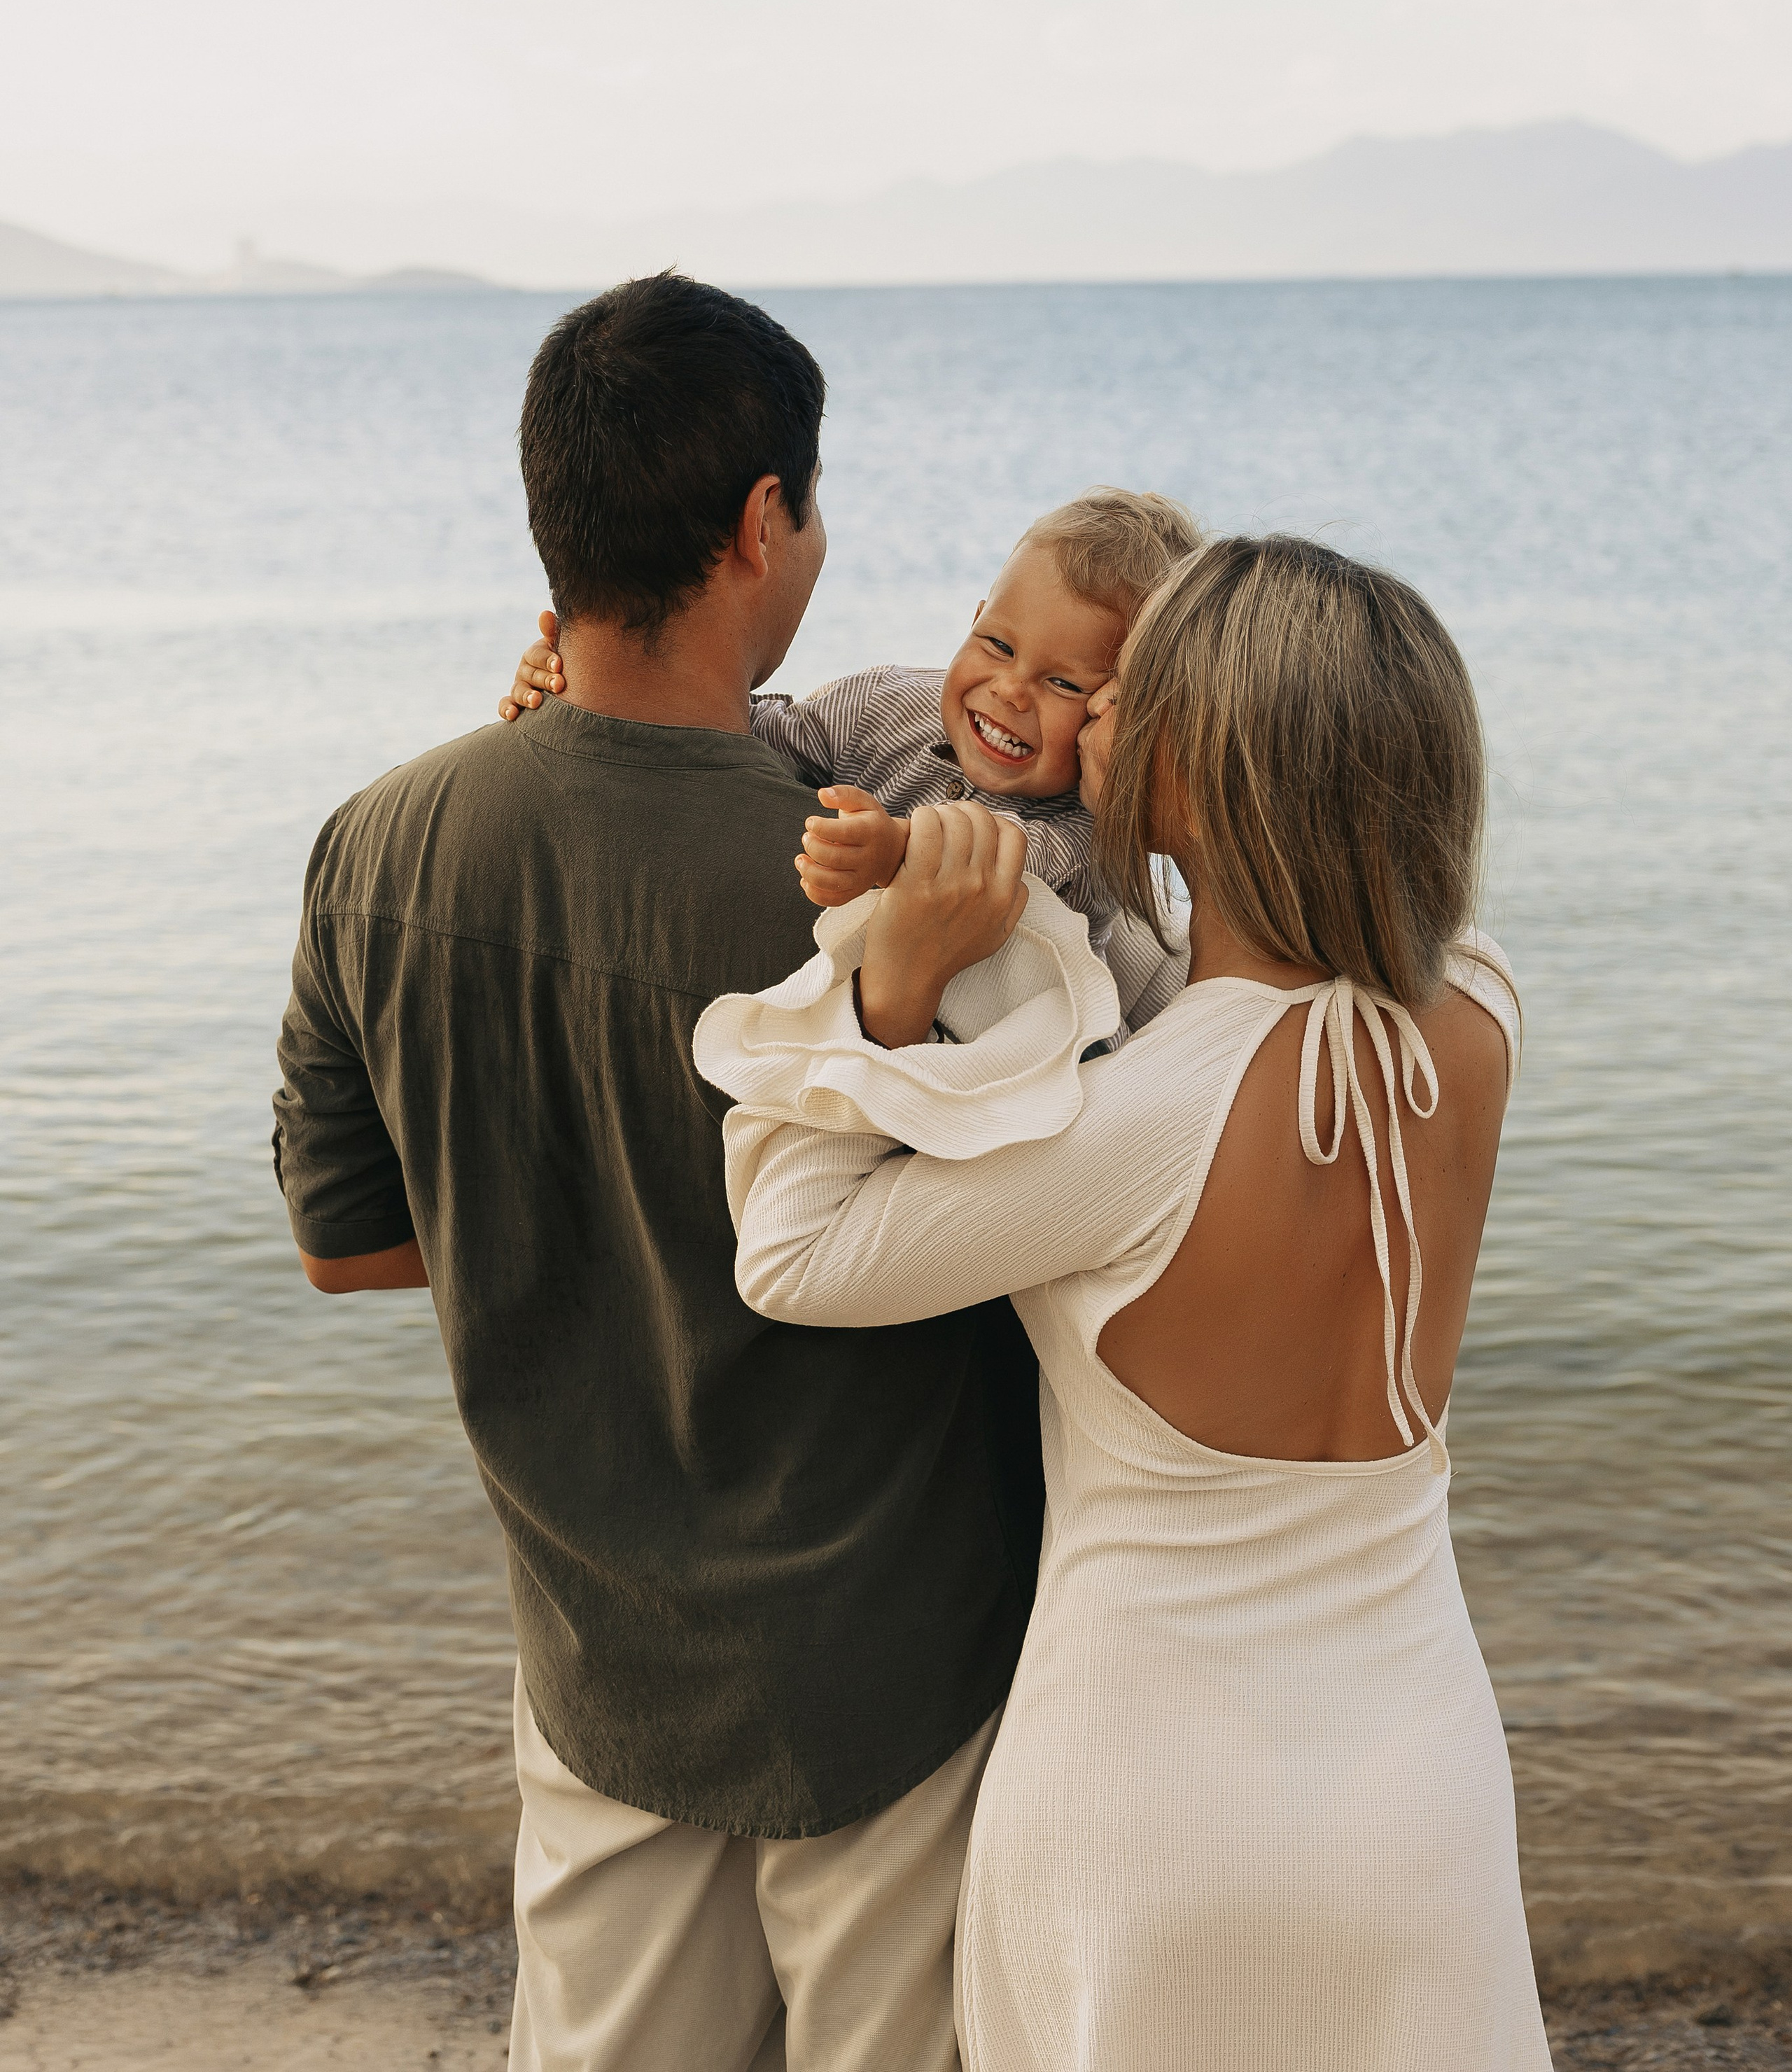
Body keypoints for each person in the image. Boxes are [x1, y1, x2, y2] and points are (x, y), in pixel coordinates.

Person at [271, 272, 1051, 2072]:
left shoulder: (377, 840)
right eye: (815, 503)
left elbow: (351, 1250)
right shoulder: (885, 893)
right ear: (761, 520)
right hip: (892, 1652)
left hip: (595, 1639)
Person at [696, 535, 1553, 2070]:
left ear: (1191, 775)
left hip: (1150, 1797)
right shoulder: (1475, 1008)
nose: (1081, 724)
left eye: (1121, 700)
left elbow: (795, 1251)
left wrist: (882, 980)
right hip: (1416, 1781)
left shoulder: (1135, 1118)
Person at [498, 487, 1201, 939]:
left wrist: (895, 851)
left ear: (1121, 706)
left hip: (1019, 1073)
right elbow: (745, 736)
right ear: (976, 615)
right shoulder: (884, 702)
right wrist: (590, 680)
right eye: (996, 644)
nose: (1011, 691)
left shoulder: (1096, 830)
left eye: (1064, 683)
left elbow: (1006, 865)